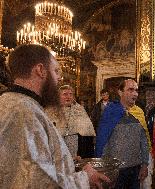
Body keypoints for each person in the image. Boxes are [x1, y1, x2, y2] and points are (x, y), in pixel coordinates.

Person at [0, 44, 109, 188]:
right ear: (40, 70)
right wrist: (85, 178)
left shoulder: (19, 103)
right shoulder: (22, 111)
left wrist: (65, 160)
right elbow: (35, 182)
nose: (59, 77)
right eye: (56, 71)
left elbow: (25, 162)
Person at [95, 79, 151, 189]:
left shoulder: (139, 112)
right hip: (115, 170)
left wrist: (145, 164)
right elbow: (103, 142)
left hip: (135, 169)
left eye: (136, 90)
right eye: (130, 90)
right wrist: (104, 169)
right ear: (120, 92)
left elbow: (144, 140)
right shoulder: (110, 111)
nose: (135, 93)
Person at [45, 85, 96, 159]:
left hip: (76, 145)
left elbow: (87, 133)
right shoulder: (50, 110)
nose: (68, 96)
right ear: (58, 96)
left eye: (70, 94)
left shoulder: (79, 110)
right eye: (65, 94)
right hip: (56, 144)